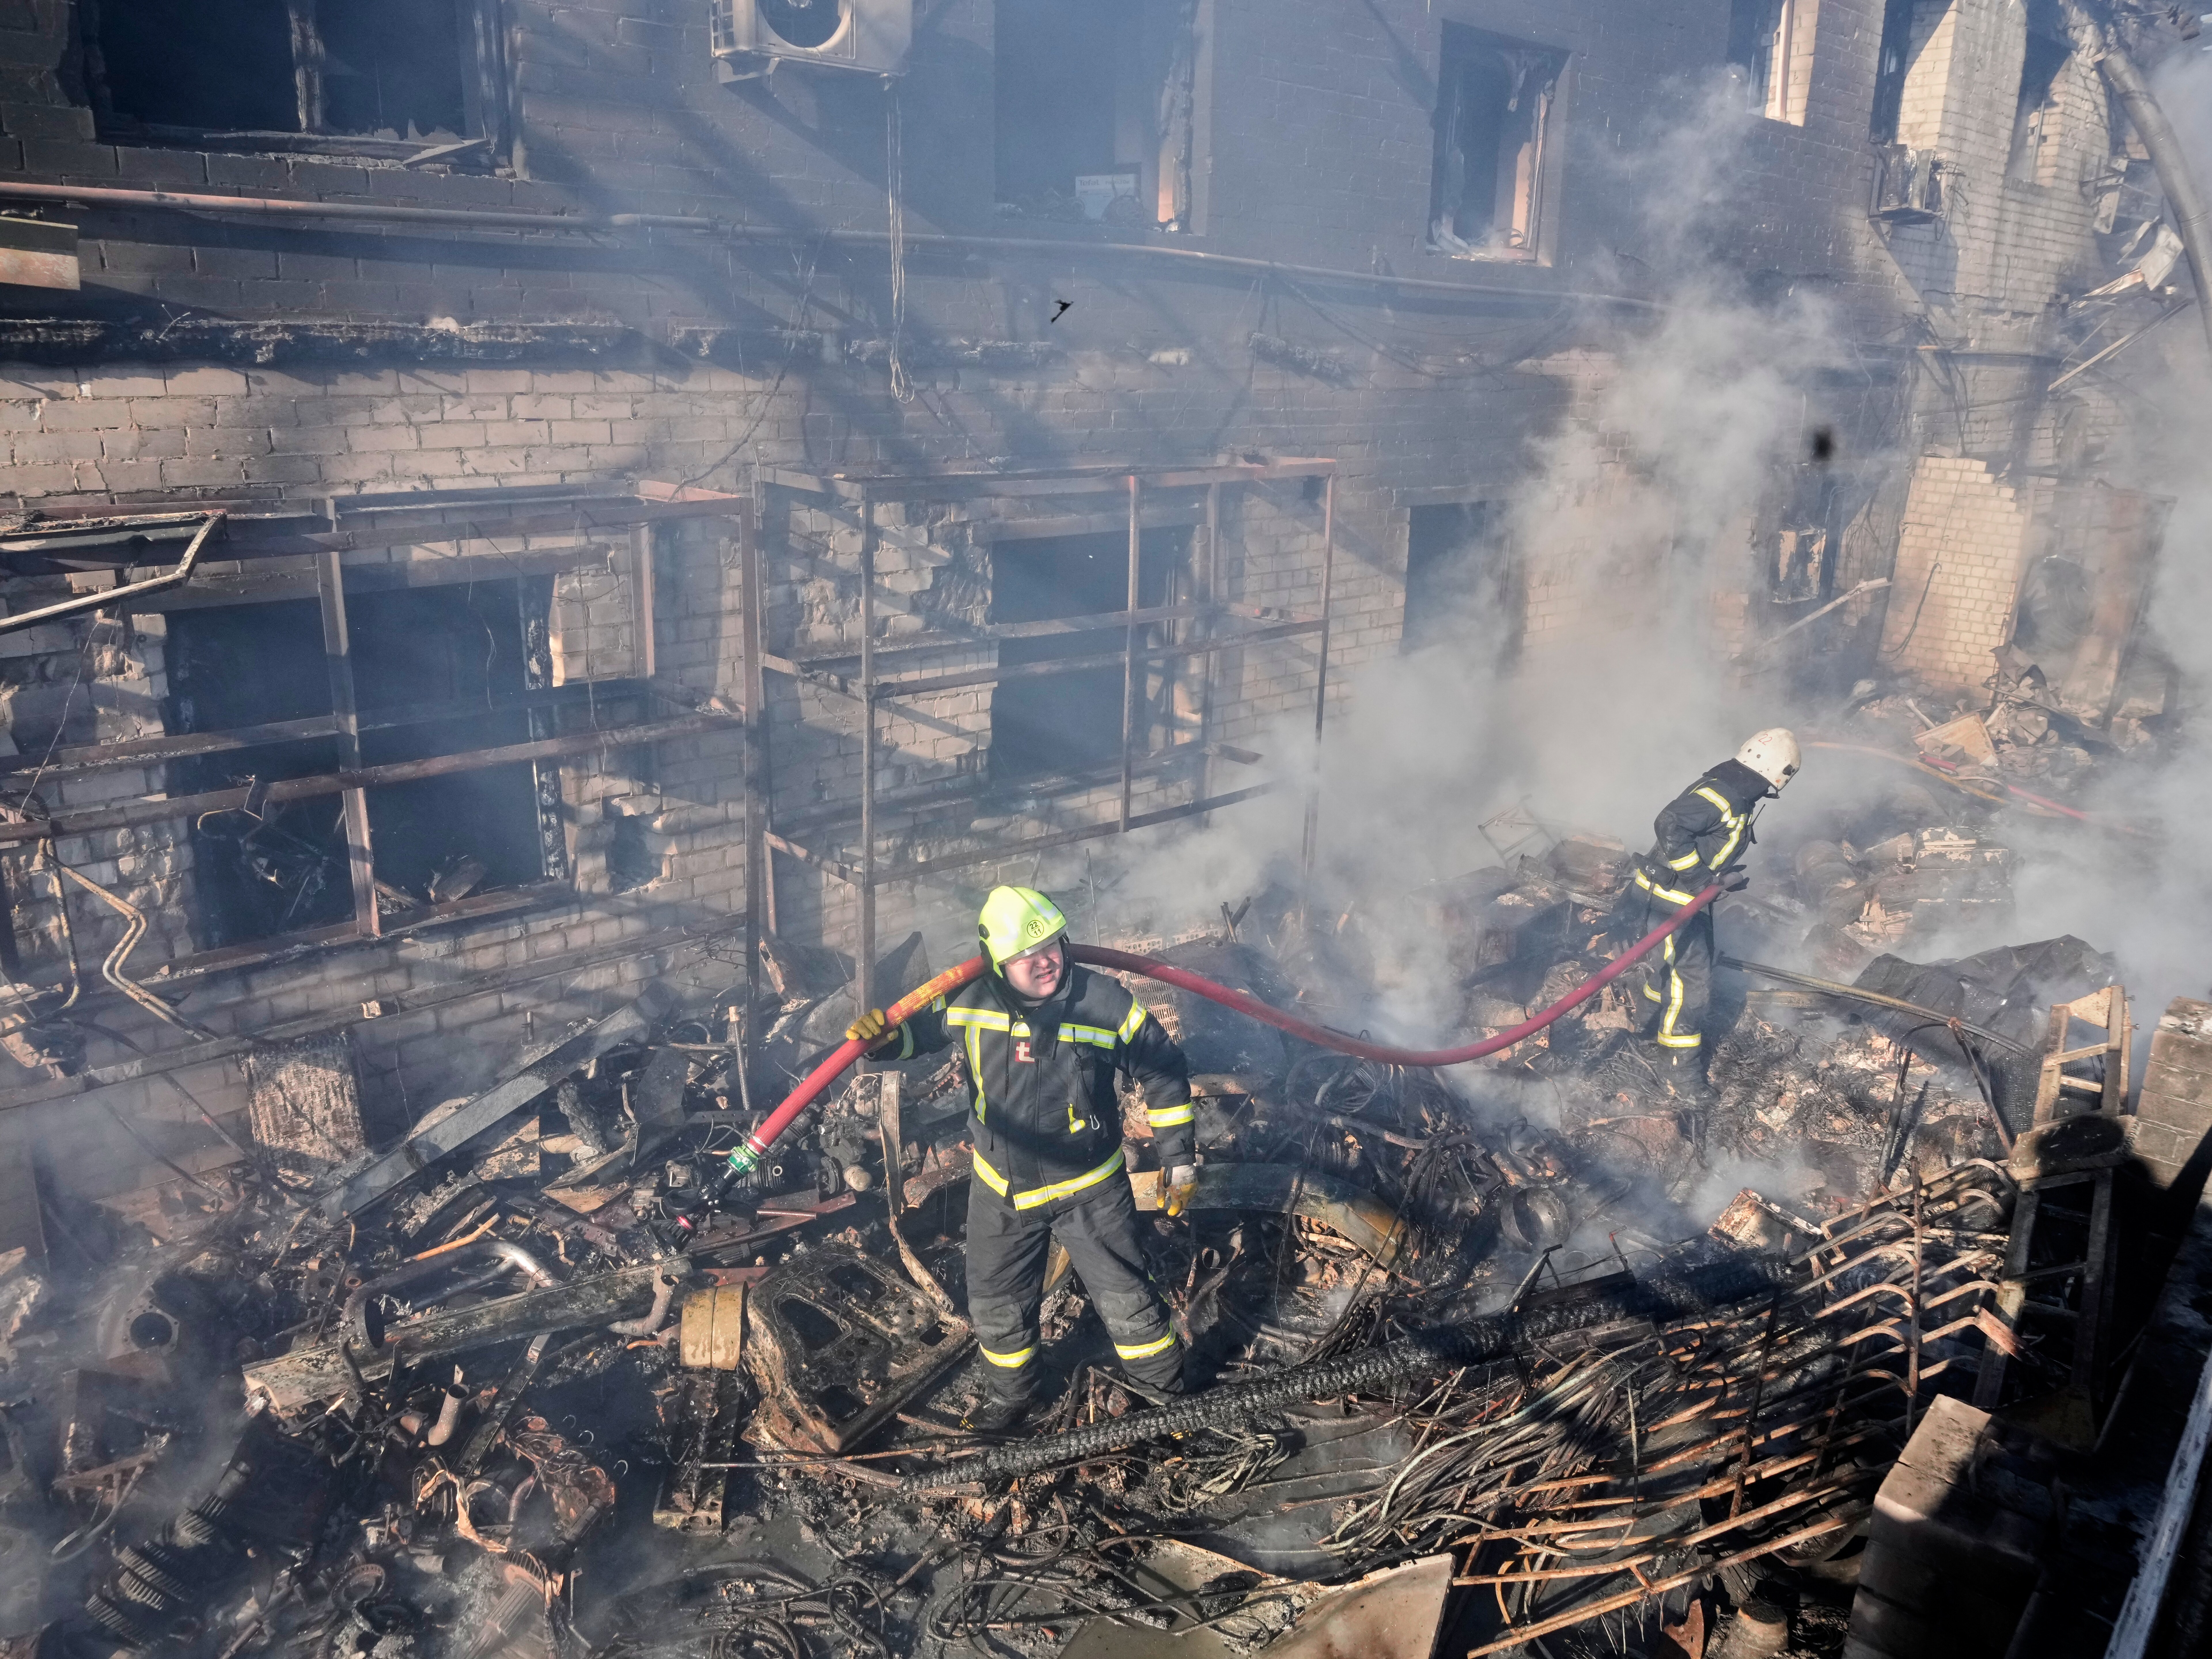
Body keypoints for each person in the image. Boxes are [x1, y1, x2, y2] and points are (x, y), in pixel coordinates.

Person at [845, 885, 1200, 1432]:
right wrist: (878, 1041)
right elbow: (914, 1037)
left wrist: (1179, 1161)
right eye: (1026, 956)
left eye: (1054, 946)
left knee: (1131, 1305)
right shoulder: (968, 998)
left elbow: (1163, 1070)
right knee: (997, 1306)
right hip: (1001, 1192)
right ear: (995, 962)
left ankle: (1168, 1406)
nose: (1046, 962)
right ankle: (1015, 1399)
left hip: (1092, 1190)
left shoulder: (1104, 1003)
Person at [1628, 728, 1801, 1101]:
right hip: (1674, 900)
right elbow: (1670, 824)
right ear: (1778, 773)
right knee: (1691, 988)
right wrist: (1698, 877)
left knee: (1670, 972)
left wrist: (1719, 879)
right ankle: (1679, 1079)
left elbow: (1705, 840)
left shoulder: (1733, 789)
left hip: (1680, 897)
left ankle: (1644, 1034)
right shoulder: (1726, 794)